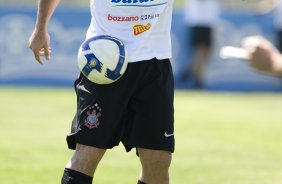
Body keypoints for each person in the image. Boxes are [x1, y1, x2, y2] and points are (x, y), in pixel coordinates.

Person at [29, 0, 175, 184]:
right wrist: (40, 28)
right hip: (103, 63)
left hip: (155, 63)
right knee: (89, 152)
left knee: (158, 158)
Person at [182, 0, 221, 89]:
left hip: (207, 20)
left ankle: (195, 78)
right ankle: (191, 77)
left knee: (205, 52)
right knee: (202, 51)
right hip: (199, 20)